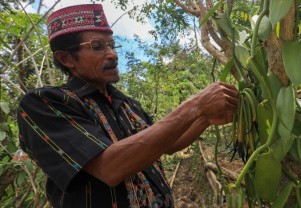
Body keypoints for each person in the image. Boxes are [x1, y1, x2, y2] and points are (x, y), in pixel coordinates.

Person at [17, 4, 238, 208]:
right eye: (97, 46)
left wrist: (205, 119)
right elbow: (109, 167)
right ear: (66, 58)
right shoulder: (44, 104)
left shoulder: (126, 104)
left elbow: (168, 144)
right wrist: (195, 106)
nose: (112, 54)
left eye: (112, 45)